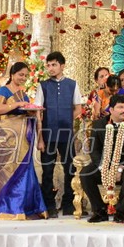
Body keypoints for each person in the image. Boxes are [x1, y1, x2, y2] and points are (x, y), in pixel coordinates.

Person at [0, 61, 47, 220]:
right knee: (7, 169)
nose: (23, 78)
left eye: (25, 75)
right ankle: (8, 208)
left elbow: (27, 113)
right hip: (8, 136)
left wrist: (32, 112)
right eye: (20, 75)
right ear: (12, 74)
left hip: (24, 136)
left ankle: (25, 207)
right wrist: (18, 104)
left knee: (25, 170)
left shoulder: (23, 94)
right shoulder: (4, 90)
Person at [33, 51, 83, 217]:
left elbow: (78, 108)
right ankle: (49, 205)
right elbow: (38, 112)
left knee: (70, 169)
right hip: (47, 133)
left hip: (66, 134)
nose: (50, 68)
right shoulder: (43, 86)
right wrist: (40, 138)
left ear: (62, 66)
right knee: (48, 171)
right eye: (48, 65)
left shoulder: (72, 84)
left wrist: (66, 120)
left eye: (54, 65)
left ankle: (69, 204)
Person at [82, 93, 124, 223]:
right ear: (111, 109)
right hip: (104, 164)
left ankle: (120, 211)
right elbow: (94, 150)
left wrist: (119, 168)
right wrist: (103, 167)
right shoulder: (98, 124)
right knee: (85, 173)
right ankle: (100, 211)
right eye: (120, 107)